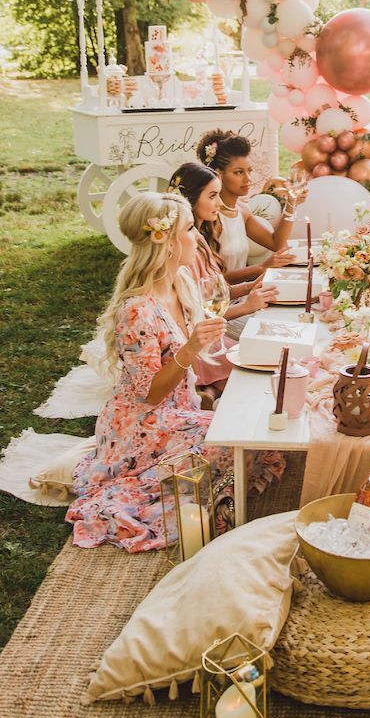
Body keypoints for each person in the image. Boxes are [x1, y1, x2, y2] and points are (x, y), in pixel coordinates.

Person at [66, 192, 285, 552]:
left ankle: (208, 480)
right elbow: (149, 394)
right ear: (165, 241)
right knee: (239, 445)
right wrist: (189, 350)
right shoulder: (136, 309)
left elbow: (208, 316)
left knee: (252, 438)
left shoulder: (179, 281)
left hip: (179, 409)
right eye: (188, 229)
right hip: (143, 423)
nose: (197, 236)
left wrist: (246, 302)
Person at [168, 162, 279, 399]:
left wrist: (251, 285)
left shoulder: (199, 235)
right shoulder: (186, 249)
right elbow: (198, 312)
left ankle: (208, 389)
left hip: (213, 324)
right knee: (265, 349)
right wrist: (247, 305)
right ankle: (206, 388)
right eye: (212, 196)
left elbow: (216, 291)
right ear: (190, 198)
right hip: (202, 334)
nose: (220, 203)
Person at [196, 129, 302, 283]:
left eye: (249, 171)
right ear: (218, 174)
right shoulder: (211, 216)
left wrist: (291, 203)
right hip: (220, 301)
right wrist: (261, 267)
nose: (248, 179)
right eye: (239, 172)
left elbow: (276, 243)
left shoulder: (242, 210)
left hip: (244, 294)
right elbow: (209, 281)